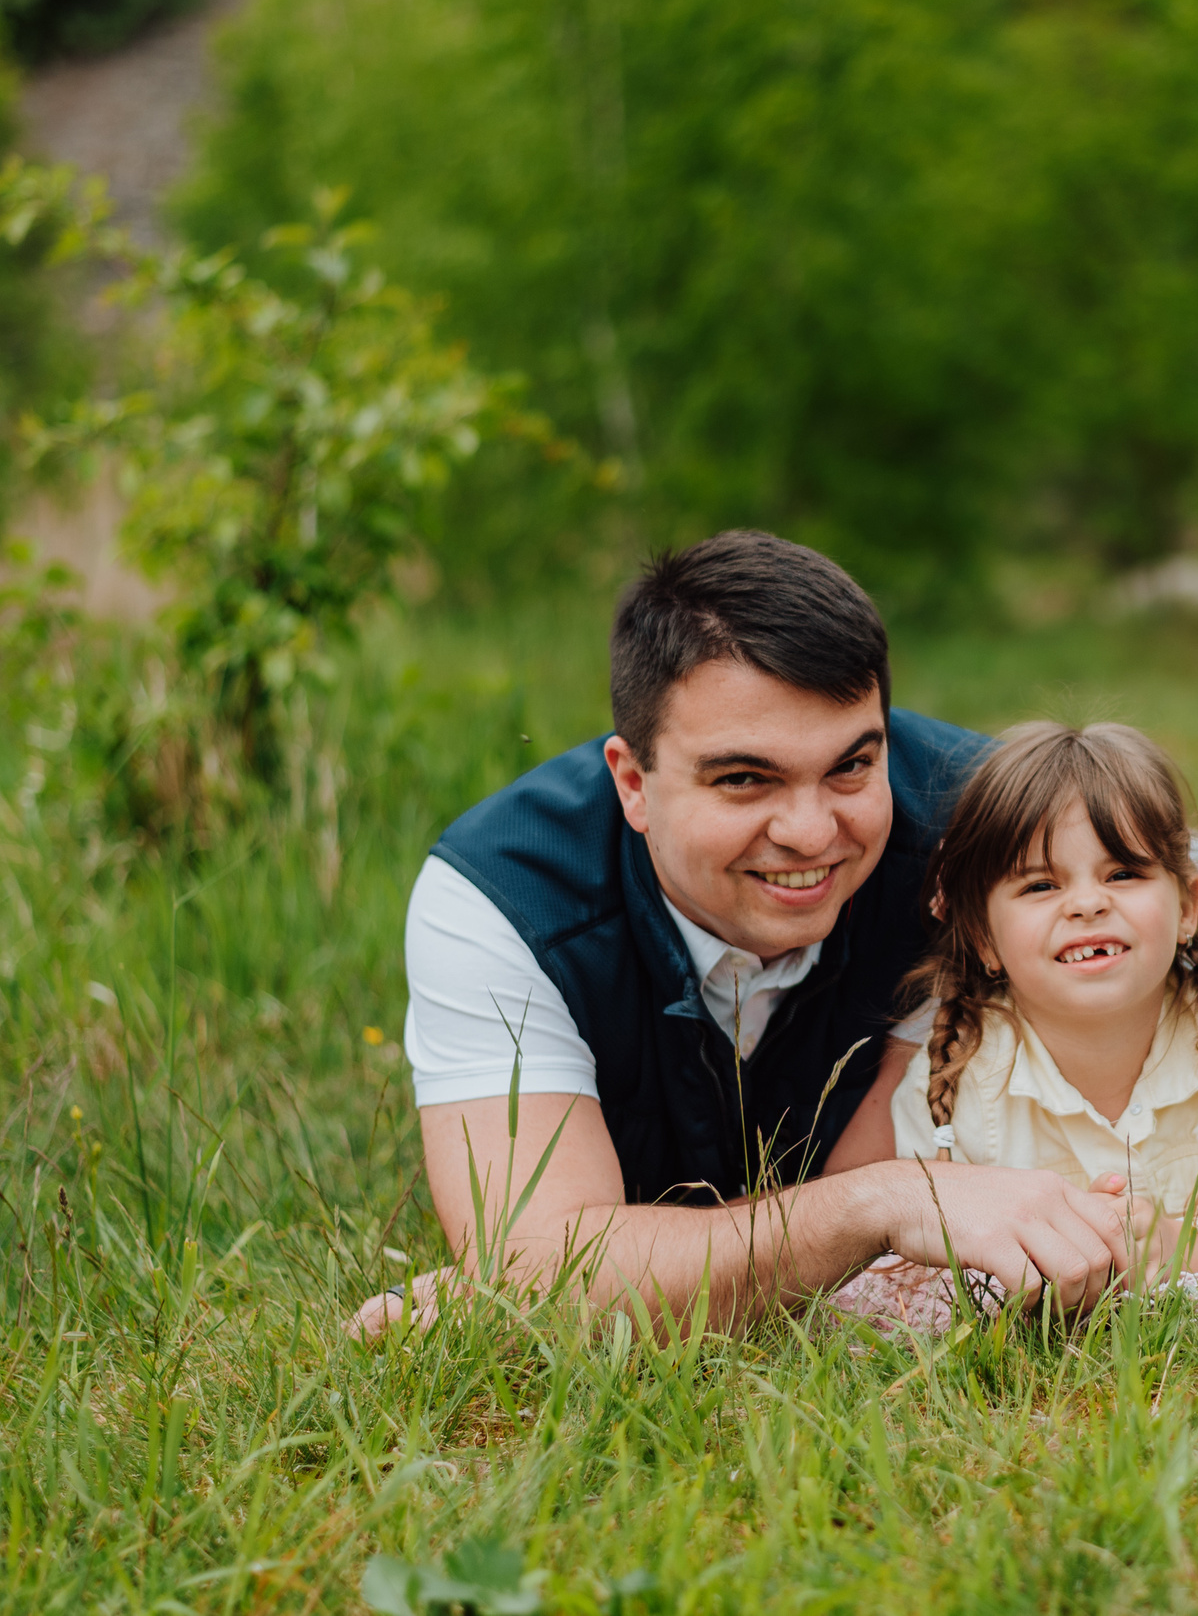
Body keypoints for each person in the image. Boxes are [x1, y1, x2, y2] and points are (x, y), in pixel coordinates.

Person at [349, 532, 1140, 1336]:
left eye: (851, 766)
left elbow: (1180, 894)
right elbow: (543, 1271)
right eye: (743, 779)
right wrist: (885, 1200)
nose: (811, 831)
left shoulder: (985, 826)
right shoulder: (502, 895)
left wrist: (615, 1265)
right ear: (633, 781)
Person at [854, 721, 1198, 1304]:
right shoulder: (953, 1077)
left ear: (1186, 905)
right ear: (983, 935)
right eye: (1040, 886)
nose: (1087, 903)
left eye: (1122, 874)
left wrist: (1188, 1251)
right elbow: (924, 1264)